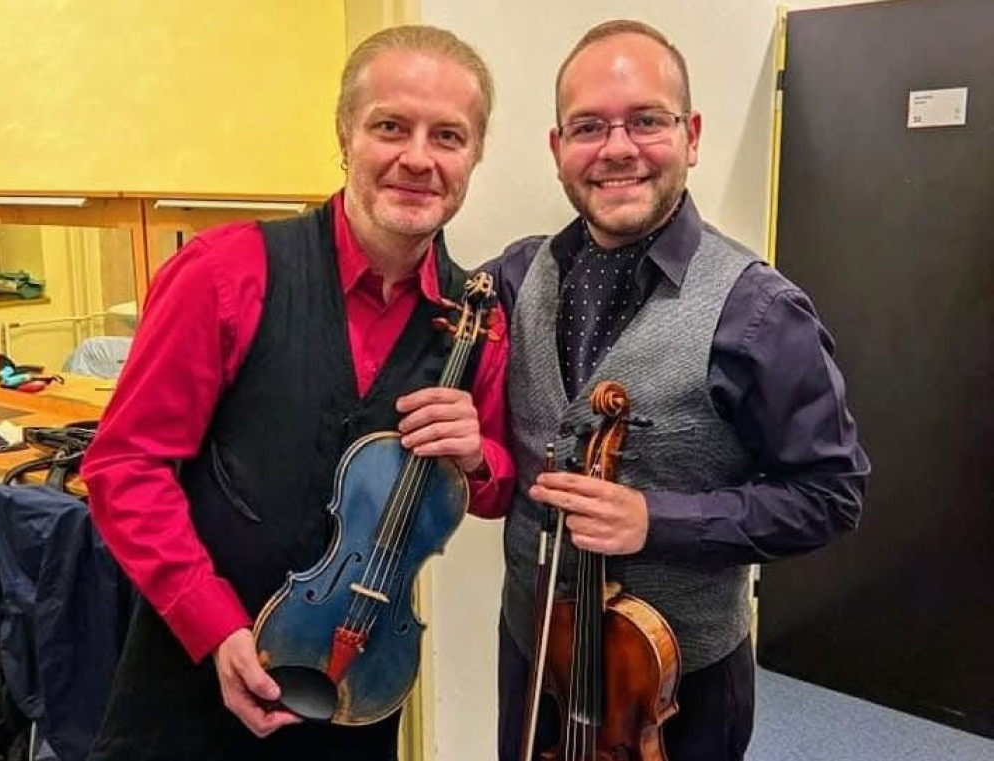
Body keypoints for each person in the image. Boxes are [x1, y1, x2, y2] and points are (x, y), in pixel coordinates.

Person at [82, 25, 514, 761]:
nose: (418, 157)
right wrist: (213, 624)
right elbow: (123, 468)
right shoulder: (225, 273)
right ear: (345, 135)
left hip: (358, 676)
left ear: (473, 156)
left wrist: (477, 456)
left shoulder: (477, 320)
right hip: (193, 671)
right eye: (389, 126)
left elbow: (495, 488)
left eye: (448, 135)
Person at [490, 19, 869, 761]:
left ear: (690, 135)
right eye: (588, 126)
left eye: (646, 121)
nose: (618, 148)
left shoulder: (760, 311)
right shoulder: (512, 276)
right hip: (537, 658)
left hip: (672, 689)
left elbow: (831, 494)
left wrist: (656, 519)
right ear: (557, 148)